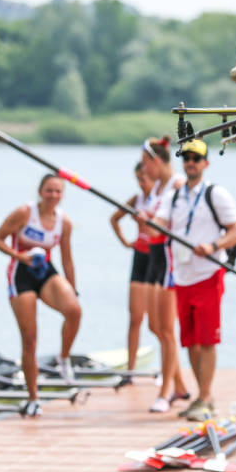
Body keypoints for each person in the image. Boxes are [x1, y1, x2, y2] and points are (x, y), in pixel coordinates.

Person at [154, 138, 236, 422]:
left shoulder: (216, 194)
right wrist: (146, 220)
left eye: (196, 158)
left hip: (207, 274)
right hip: (182, 277)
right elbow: (158, 225)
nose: (190, 162)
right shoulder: (174, 196)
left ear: (205, 163)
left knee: (206, 341)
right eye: (187, 158)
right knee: (190, 341)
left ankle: (205, 397)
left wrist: (214, 247)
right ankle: (201, 395)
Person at [0, 174, 81, 417]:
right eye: (49, 191)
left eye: (58, 192)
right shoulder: (24, 213)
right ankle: (33, 397)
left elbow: (67, 259)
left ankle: (64, 358)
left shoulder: (64, 222)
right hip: (21, 271)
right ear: (40, 192)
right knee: (30, 339)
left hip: (46, 272)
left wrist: (72, 286)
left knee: (74, 310)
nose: (53, 196)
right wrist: (21, 256)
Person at [139, 136, 191, 413]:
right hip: (153, 259)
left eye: (146, 163)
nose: (143, 169)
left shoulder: (177, 184)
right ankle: (180, 385)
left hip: (170, 260)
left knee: (167, 331)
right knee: (155, 327)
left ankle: (165, 392)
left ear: (157, 161)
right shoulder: (156, 186)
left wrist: (154, 224)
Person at [109, 162, 162, 383]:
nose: (142, 183)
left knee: (157, 323)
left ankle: (168, 367)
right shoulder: (136, 199)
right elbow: (114, 218)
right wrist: (125, 242)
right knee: (135, 318)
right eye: (139, 179)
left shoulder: (163, 200)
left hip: (157, 258)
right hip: (139, 257)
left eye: (146, 179)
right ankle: (129, 372)